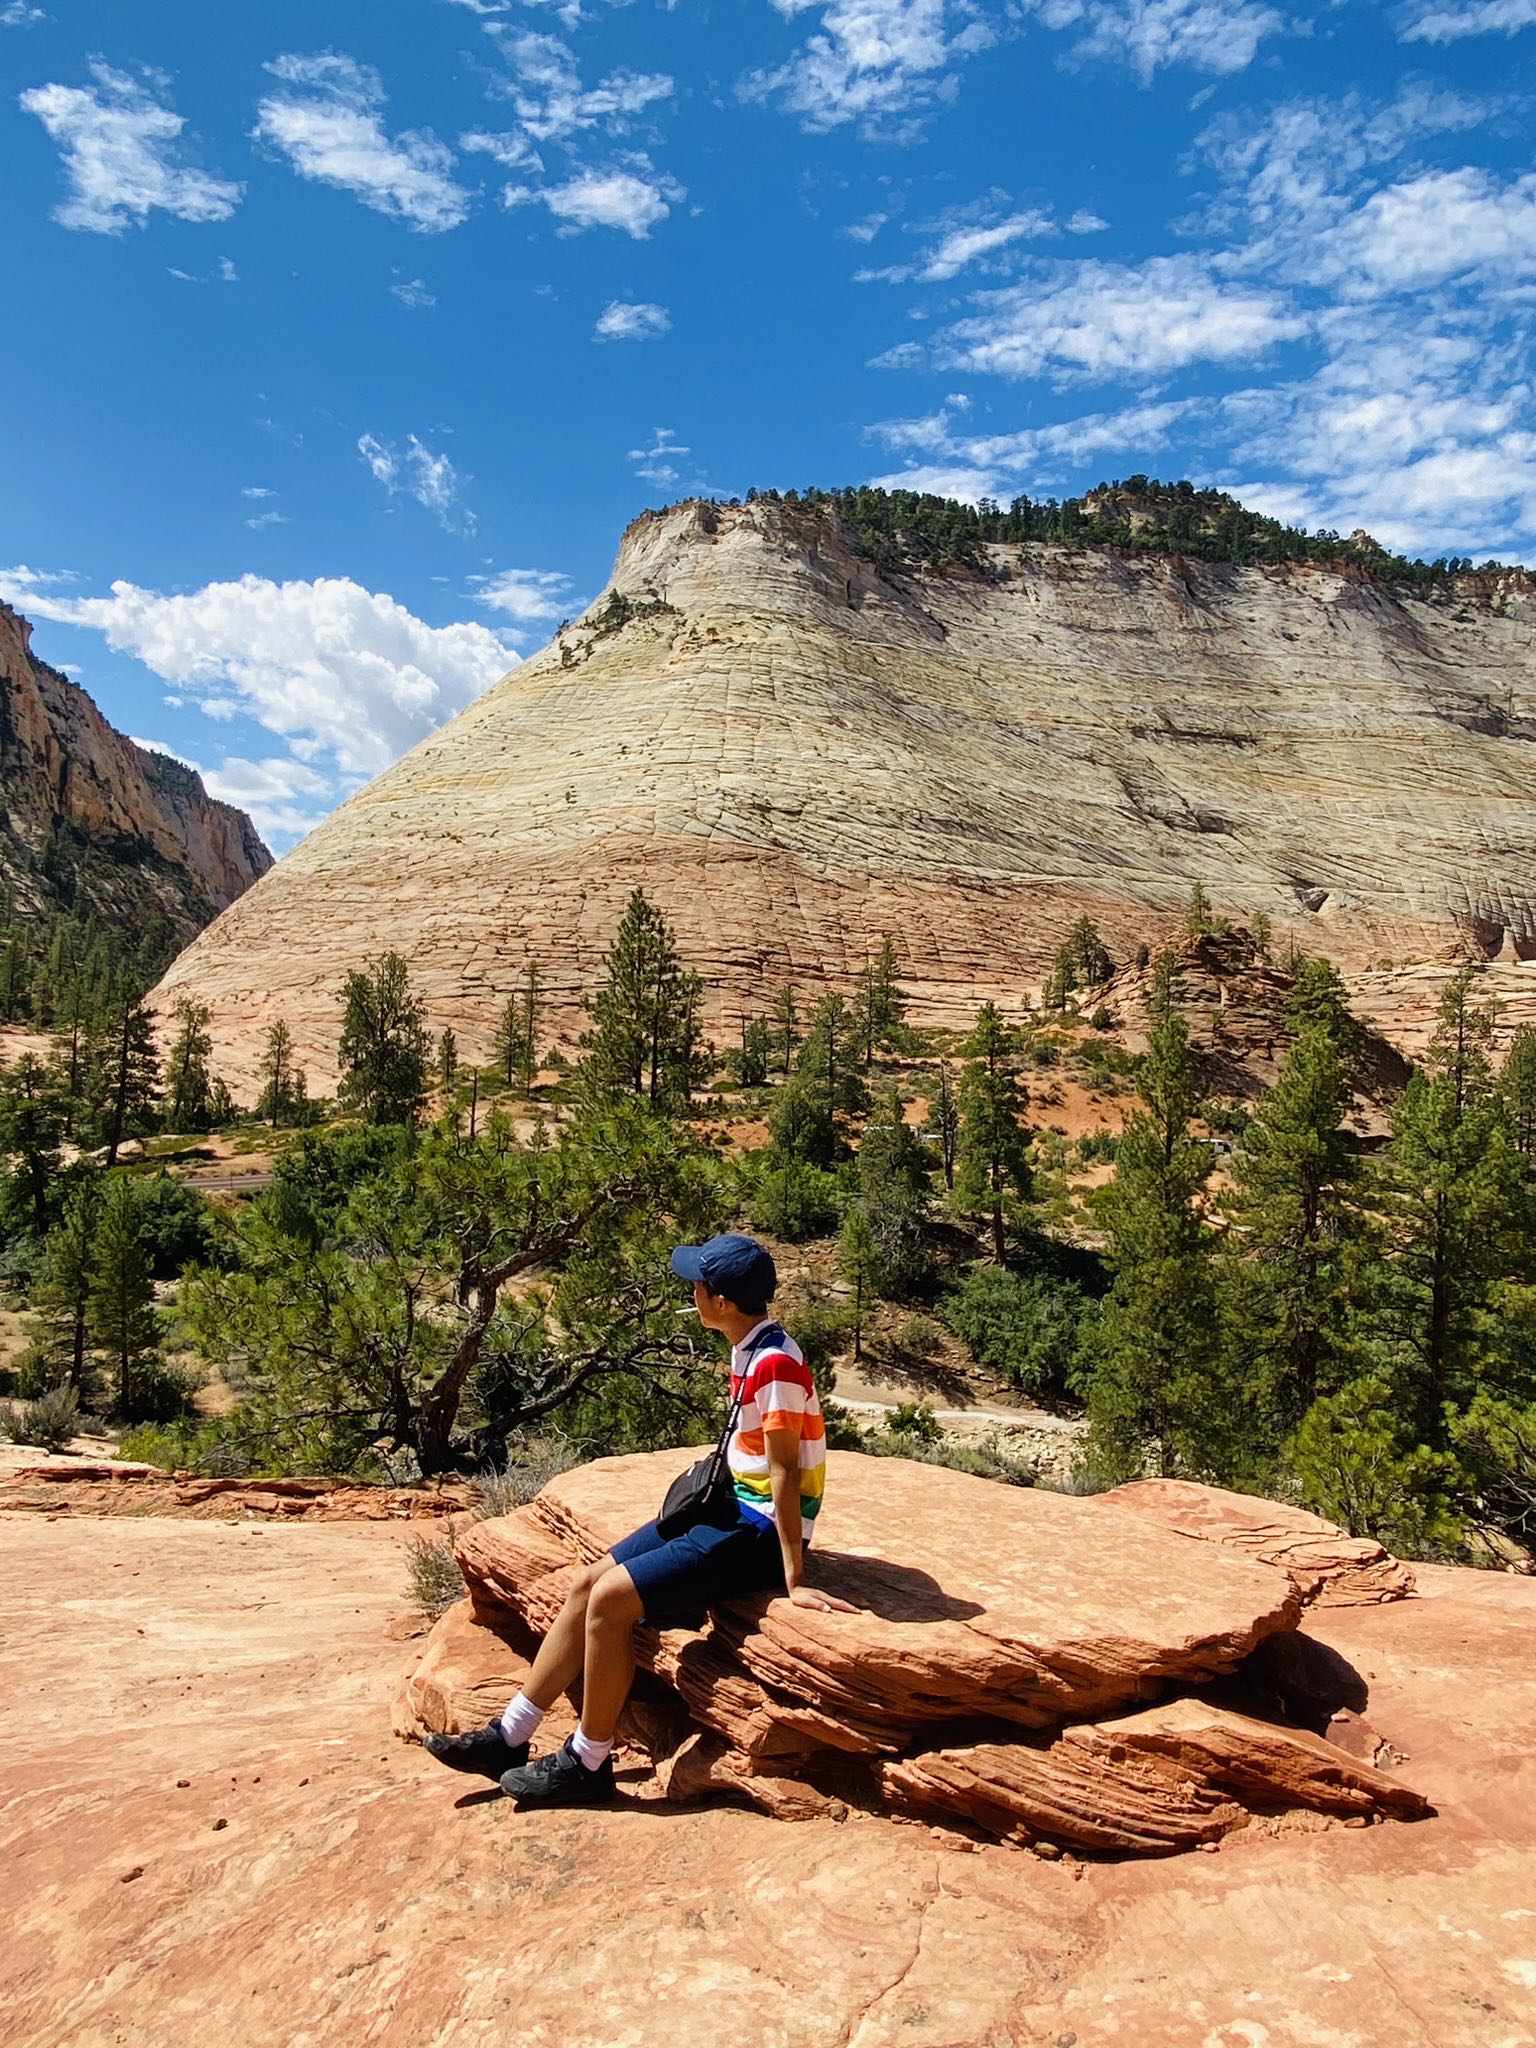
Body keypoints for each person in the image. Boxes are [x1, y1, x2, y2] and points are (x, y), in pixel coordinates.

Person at [424, 1231, 854, 1810]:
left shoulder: (773, 1364)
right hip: (727, 1507)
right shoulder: (751, 1343)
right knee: (584, 1583)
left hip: (751, 1533)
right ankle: (510, 1735)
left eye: (698, 1285)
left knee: (610, 1603)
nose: (692, 1293)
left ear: (722, 1300)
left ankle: (587, 1761)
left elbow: (784, 1474)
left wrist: (794, 1577)